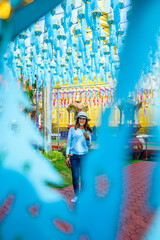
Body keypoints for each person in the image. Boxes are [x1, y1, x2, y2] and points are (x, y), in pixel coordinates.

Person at [65, 111, 92, 203]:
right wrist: (67, 155)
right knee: (75, 176)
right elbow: (68, 143)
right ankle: (77, 195)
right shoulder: (72, 129)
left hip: (84, 156)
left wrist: (88, 138)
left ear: (86, 121)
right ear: (78, 119)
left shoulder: (87, 131)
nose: (82, 120)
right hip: (74, 156)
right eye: (80, 118)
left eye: (84, 119)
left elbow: (89, 145)